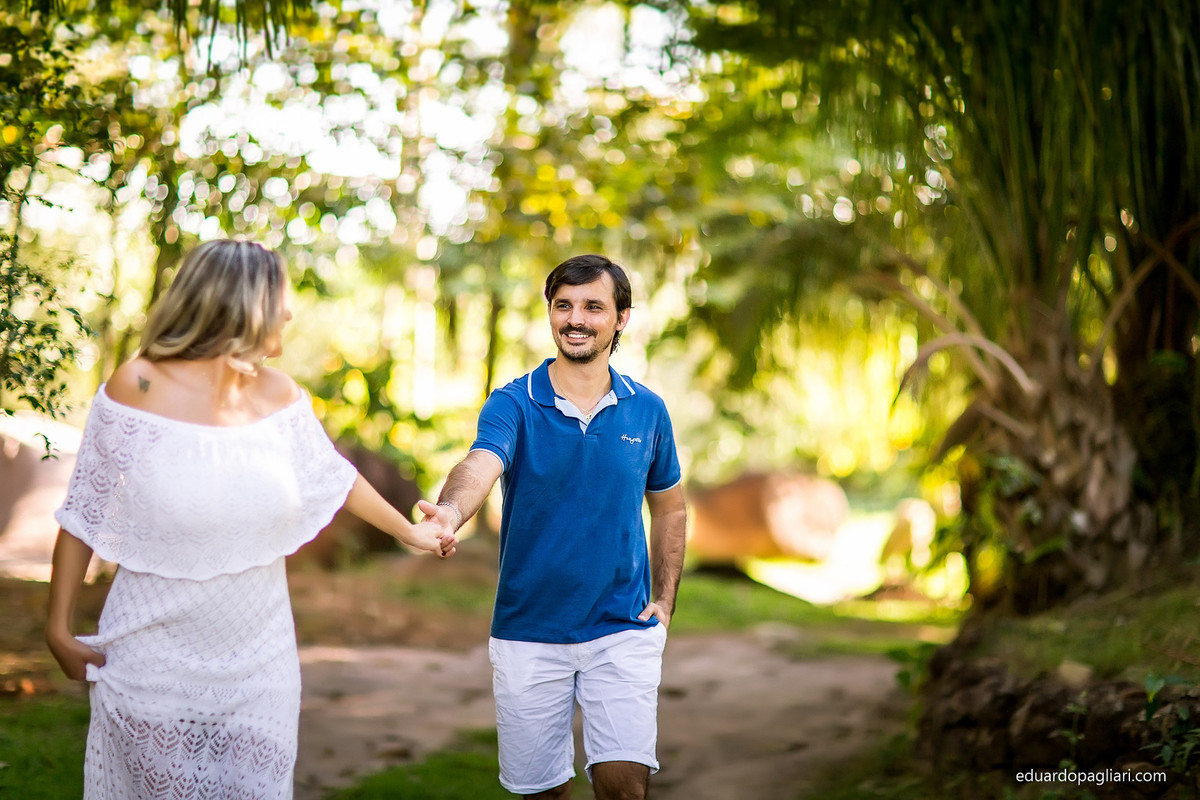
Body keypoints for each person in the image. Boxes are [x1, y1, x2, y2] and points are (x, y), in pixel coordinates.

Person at [45, 239, 457, 799]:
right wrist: (57, 627)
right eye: (280, 298)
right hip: (152, 659)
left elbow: (333, 477)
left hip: (261, 663)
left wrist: (410, 531)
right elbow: (84, 513)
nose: (289, 312)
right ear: (243, 302)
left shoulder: (280, 395)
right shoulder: (136, 384)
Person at [423, 253, 688, 799]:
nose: (576, 319)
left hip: (622, 629)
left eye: (593, 306)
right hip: (528, 632)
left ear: (621, 318)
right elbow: (481, 463)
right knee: (543, 793)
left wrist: (664, 601)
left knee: (624, 787)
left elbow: (670, 508)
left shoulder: (648, 410)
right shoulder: (513, 402)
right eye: (563, 305)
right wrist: (450, 512)